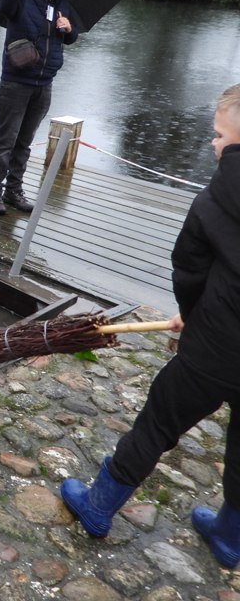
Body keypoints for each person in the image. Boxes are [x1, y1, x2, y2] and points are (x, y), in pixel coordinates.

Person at [60, 84, 240, 568]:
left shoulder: (215, 201)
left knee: (157, 423)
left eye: (220, 135)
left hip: (215, 351)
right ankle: (230, 537)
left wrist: (191, 313)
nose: (213, 143)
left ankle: (98, 507)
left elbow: (190, 270)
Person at [0, 0, 78, 216]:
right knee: (6, 141)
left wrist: (69, 30)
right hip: (15, 82)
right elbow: (3, 9)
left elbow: (68, 39)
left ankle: (13, 190)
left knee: (24, 142)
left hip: (44, 84)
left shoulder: (61, 0)